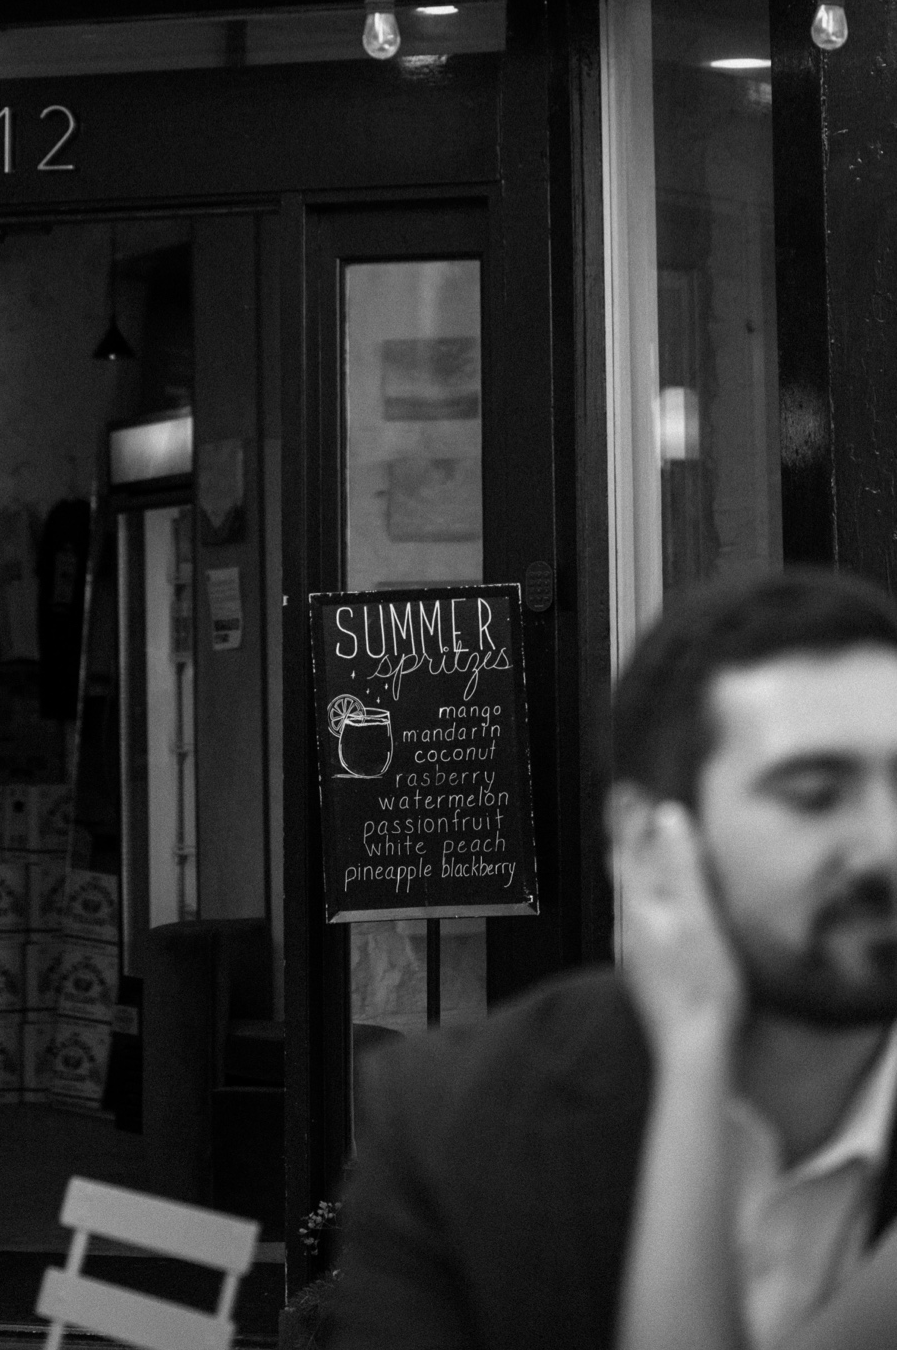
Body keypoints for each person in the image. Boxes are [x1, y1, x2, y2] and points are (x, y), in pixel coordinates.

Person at [333, 567, 897, 1350]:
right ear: (647, 840)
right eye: (813, 793)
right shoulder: (455, 1126)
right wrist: (695, 1050)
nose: (884, 845)